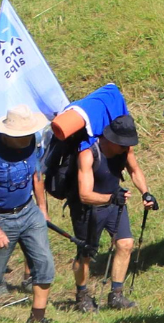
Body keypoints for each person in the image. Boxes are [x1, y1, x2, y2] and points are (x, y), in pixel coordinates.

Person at [0, 105, 58, 323]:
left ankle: (37, 318)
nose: (26, 138)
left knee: (44, 264)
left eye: (29, 133)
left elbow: (36, 176)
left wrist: (42, 209)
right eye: (21, 135)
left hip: (28, 212)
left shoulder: (34, 141)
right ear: (8, 134)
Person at [66, 112, 156, 311]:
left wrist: (146, 193)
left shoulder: (125, 150)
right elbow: (85, 195)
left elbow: (134, 170)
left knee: (126, 243)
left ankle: (116, 295)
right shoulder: (88, 154)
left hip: (115, 205)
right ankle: (82, 296)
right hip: (87, 210)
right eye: (122, 144)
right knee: (86, 254)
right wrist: (111, 198)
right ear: (111, 139)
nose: (126, 148)